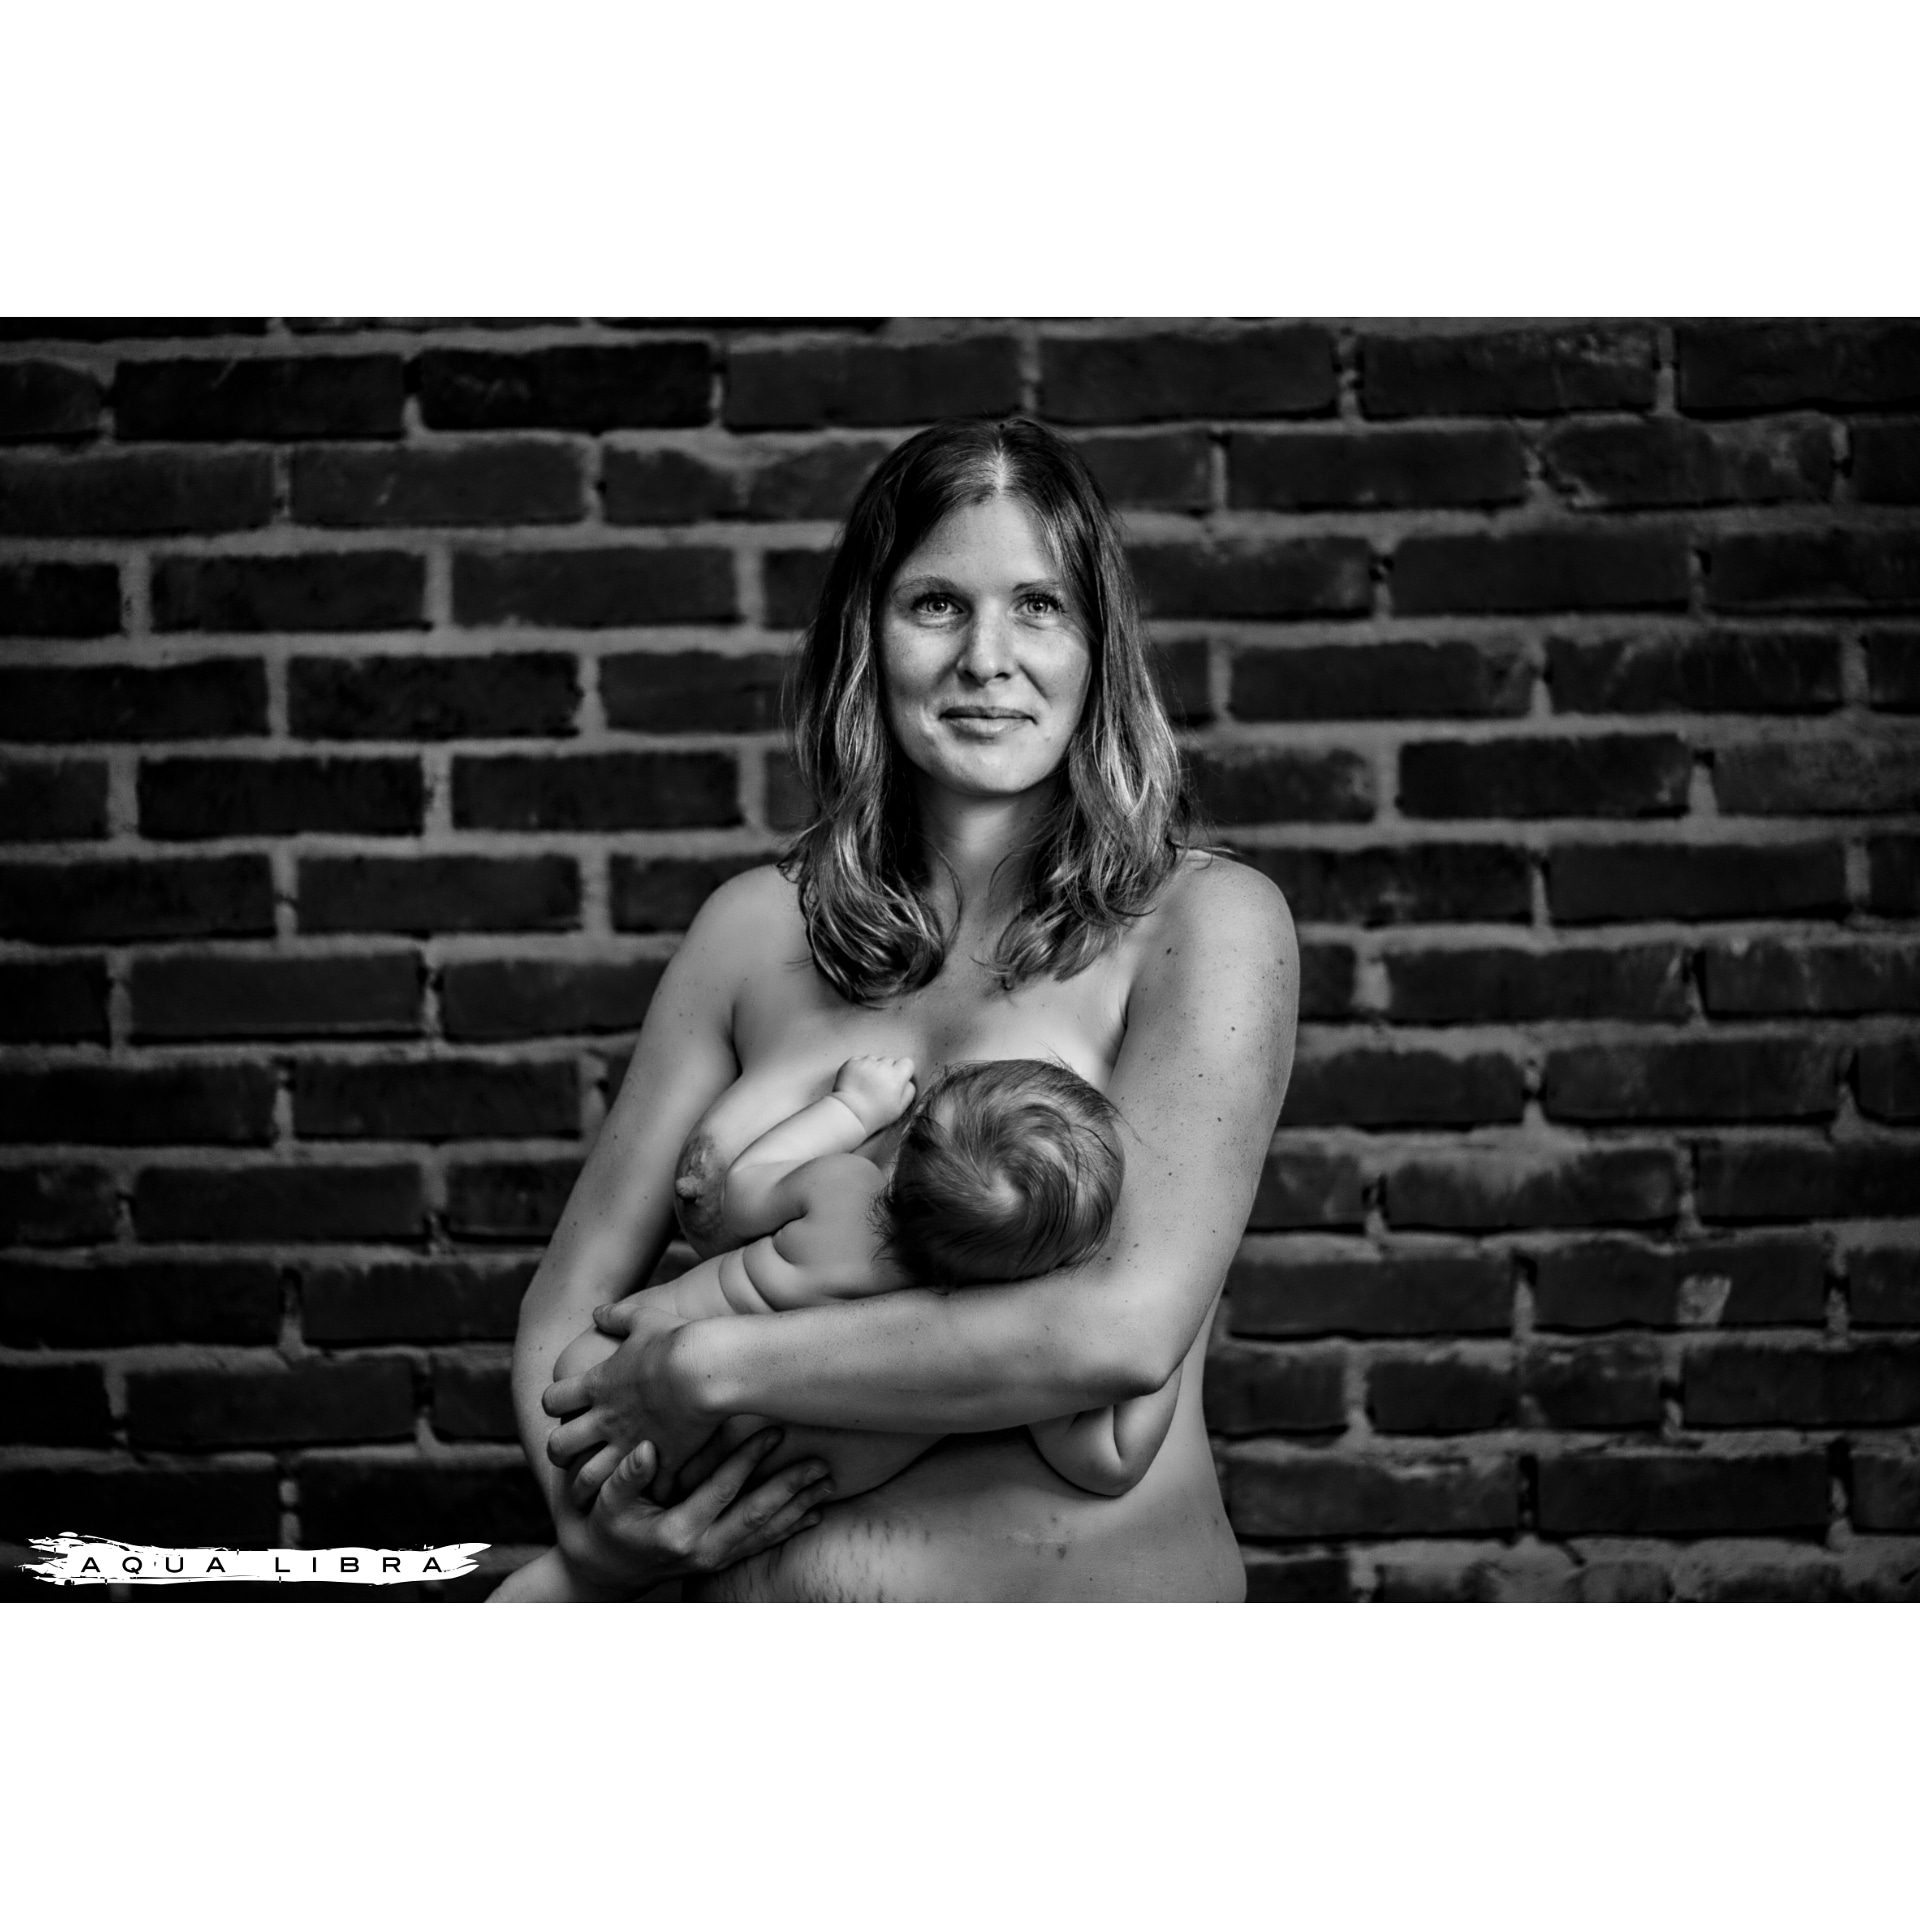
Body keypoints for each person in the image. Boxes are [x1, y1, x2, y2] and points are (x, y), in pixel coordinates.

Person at [506, 415, 1298, 1602]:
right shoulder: (748, 929)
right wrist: (597, 1541)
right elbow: (566, 1303)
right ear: (865, 636)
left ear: (1099, 645)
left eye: (1039, 605)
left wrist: (711, 1366)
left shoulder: (1207, 922)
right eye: (936, 604)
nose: (988, 658)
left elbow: (1119, 1330)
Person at [495, 1050, 1174, 1599]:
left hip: (605, 1372)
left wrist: (852, 1109)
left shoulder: (840, 1189)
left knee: (591, 1569)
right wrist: (1169, 1320)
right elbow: (1107, 1461)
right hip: (715, 1486)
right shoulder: (997, 1344)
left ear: (905, 1148)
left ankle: (571, 1581)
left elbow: (741, 1190)